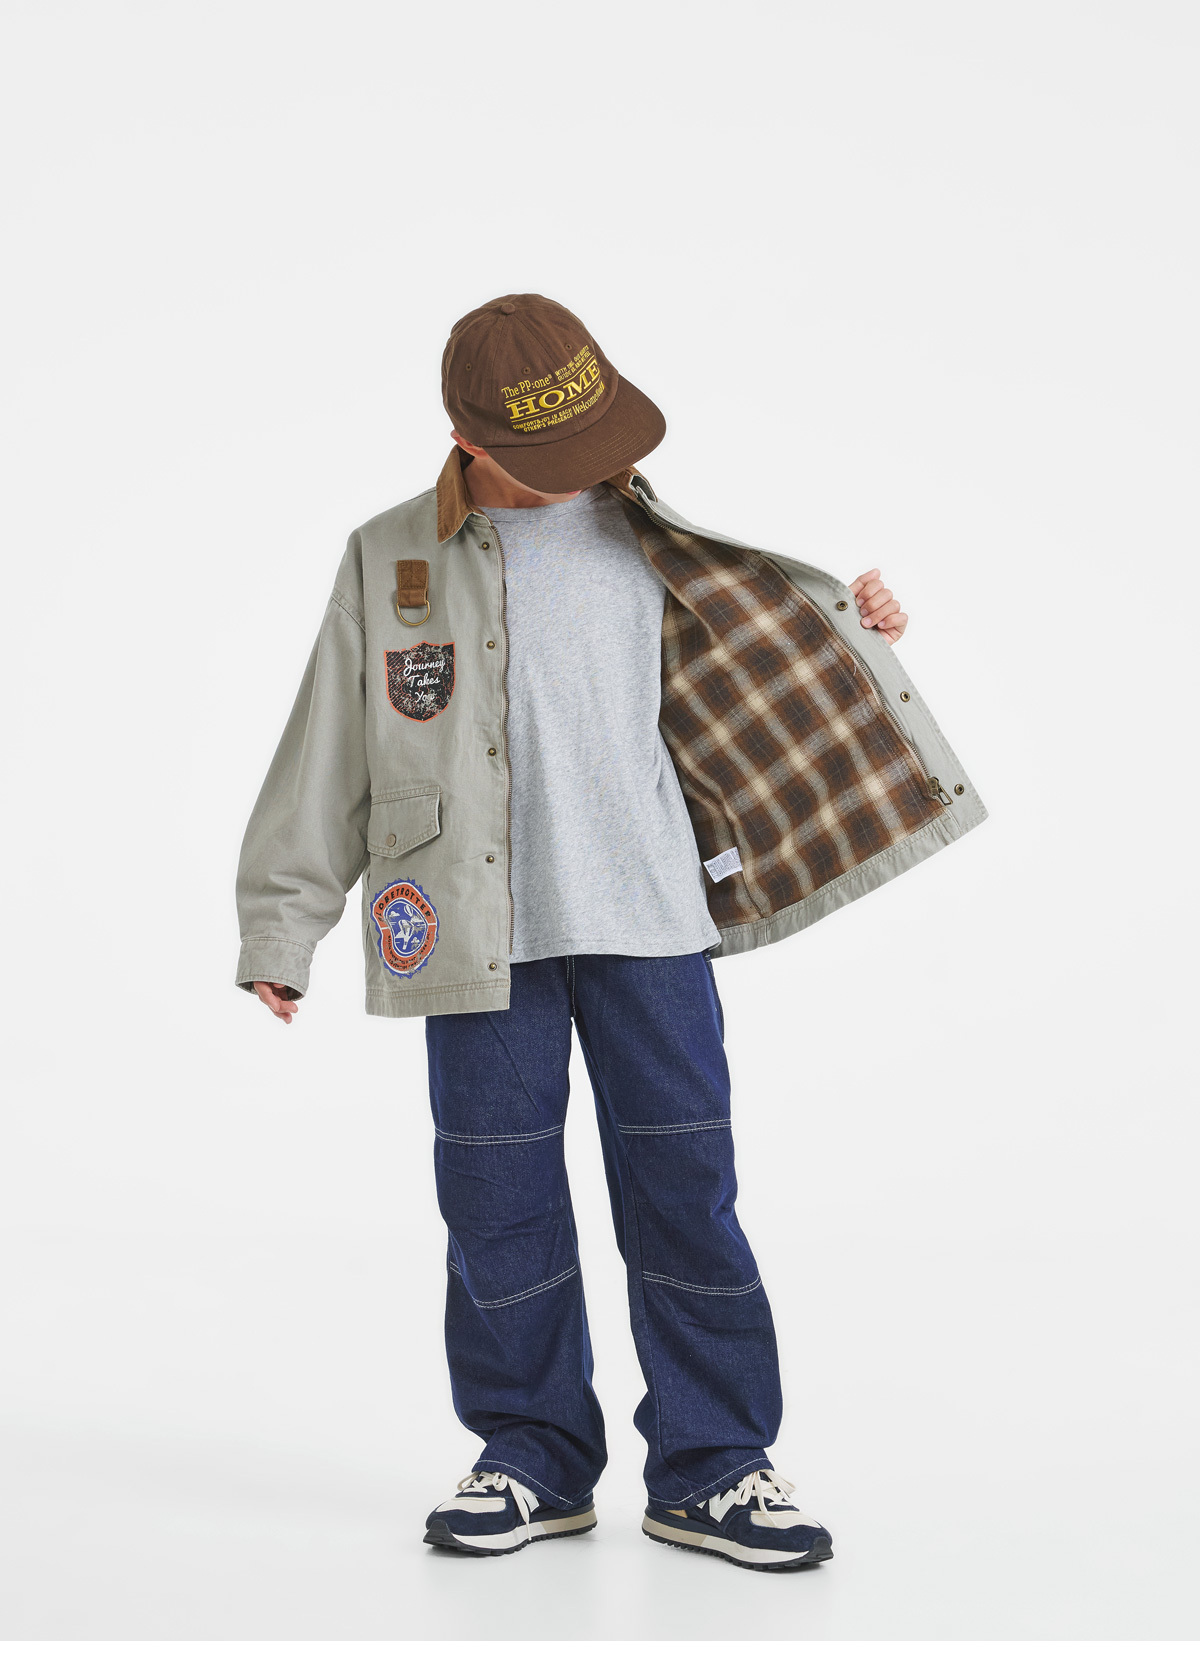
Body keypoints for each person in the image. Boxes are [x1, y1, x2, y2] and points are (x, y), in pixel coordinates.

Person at [235, 294, 985, 1572]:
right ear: (466, 439)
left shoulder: (648, 534)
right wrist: (281, 922)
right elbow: (328, 752)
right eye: (551, 449)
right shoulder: (389, 556)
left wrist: (861, 624)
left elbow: (768, 663)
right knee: (497, 1206)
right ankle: (531, 1454)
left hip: (649, 922)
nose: (583, 467)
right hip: (474, 938)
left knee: (687, 1196)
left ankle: (715, 1464)